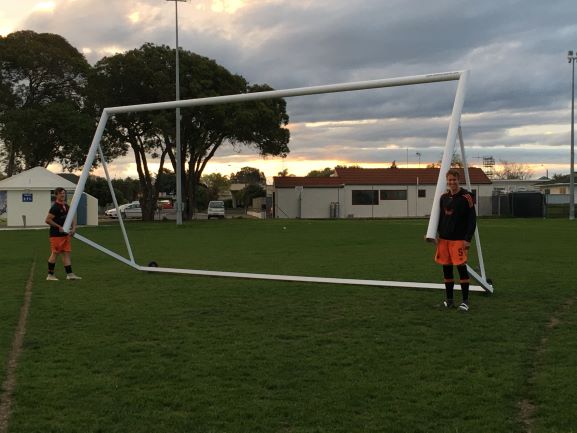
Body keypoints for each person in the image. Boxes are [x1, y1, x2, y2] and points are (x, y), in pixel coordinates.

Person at [435, 169, 476, 311]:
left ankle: (465, 302)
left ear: (459, 180)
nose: (452, 182)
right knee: (447, 270)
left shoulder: (467, 197)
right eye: (450, 180)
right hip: (444, 240)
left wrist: (468, 239)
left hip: (459, 240)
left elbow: (472, 220)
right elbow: (439, 217)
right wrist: (434, 234)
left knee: (461, 270)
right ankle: (449, 301)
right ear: (447, 181)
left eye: (454, 180)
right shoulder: (443, 198)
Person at [45, 187, 82, 281]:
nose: (63, 195)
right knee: (55, 253)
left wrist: (73, 228)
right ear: (56, 195)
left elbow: (72, 217)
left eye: (63, 193)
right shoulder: (55, 207)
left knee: (66, 253)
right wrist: (59, 226)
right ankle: (50, 275)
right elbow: (48, 220)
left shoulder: (66, 206)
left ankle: (70, 274)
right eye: (60, 193)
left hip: (65, 235)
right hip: (56, 235)